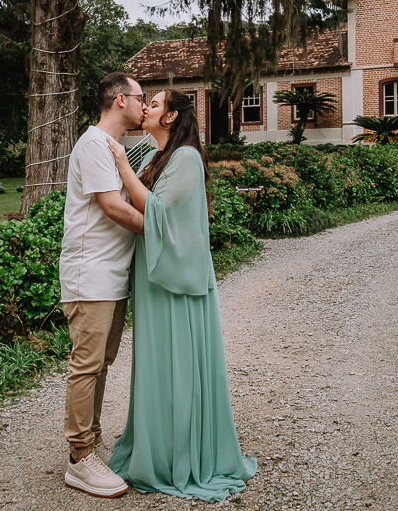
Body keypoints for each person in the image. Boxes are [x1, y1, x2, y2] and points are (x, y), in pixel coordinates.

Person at [105, 88, 257, 500]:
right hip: (156, 276)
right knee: (158, 362)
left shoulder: (186, 157)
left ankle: (182, 456)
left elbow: (155, 210)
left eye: (153, 104)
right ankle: (157, 446)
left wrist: (121, 165)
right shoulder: (159, 155)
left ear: (171, 116)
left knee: (178, 362)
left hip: (176, 282)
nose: (146, 108)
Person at [58, 72, 147, 498]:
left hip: (110, 277)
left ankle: (90, 443)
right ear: (119, 101)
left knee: (102, 364)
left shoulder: (114, 148)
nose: (144, 106)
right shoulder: (93, 144)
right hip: (89, 275)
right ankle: (79, 458)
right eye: (140, 98)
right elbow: (112, 207)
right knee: (87, 365)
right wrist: (161, 229)